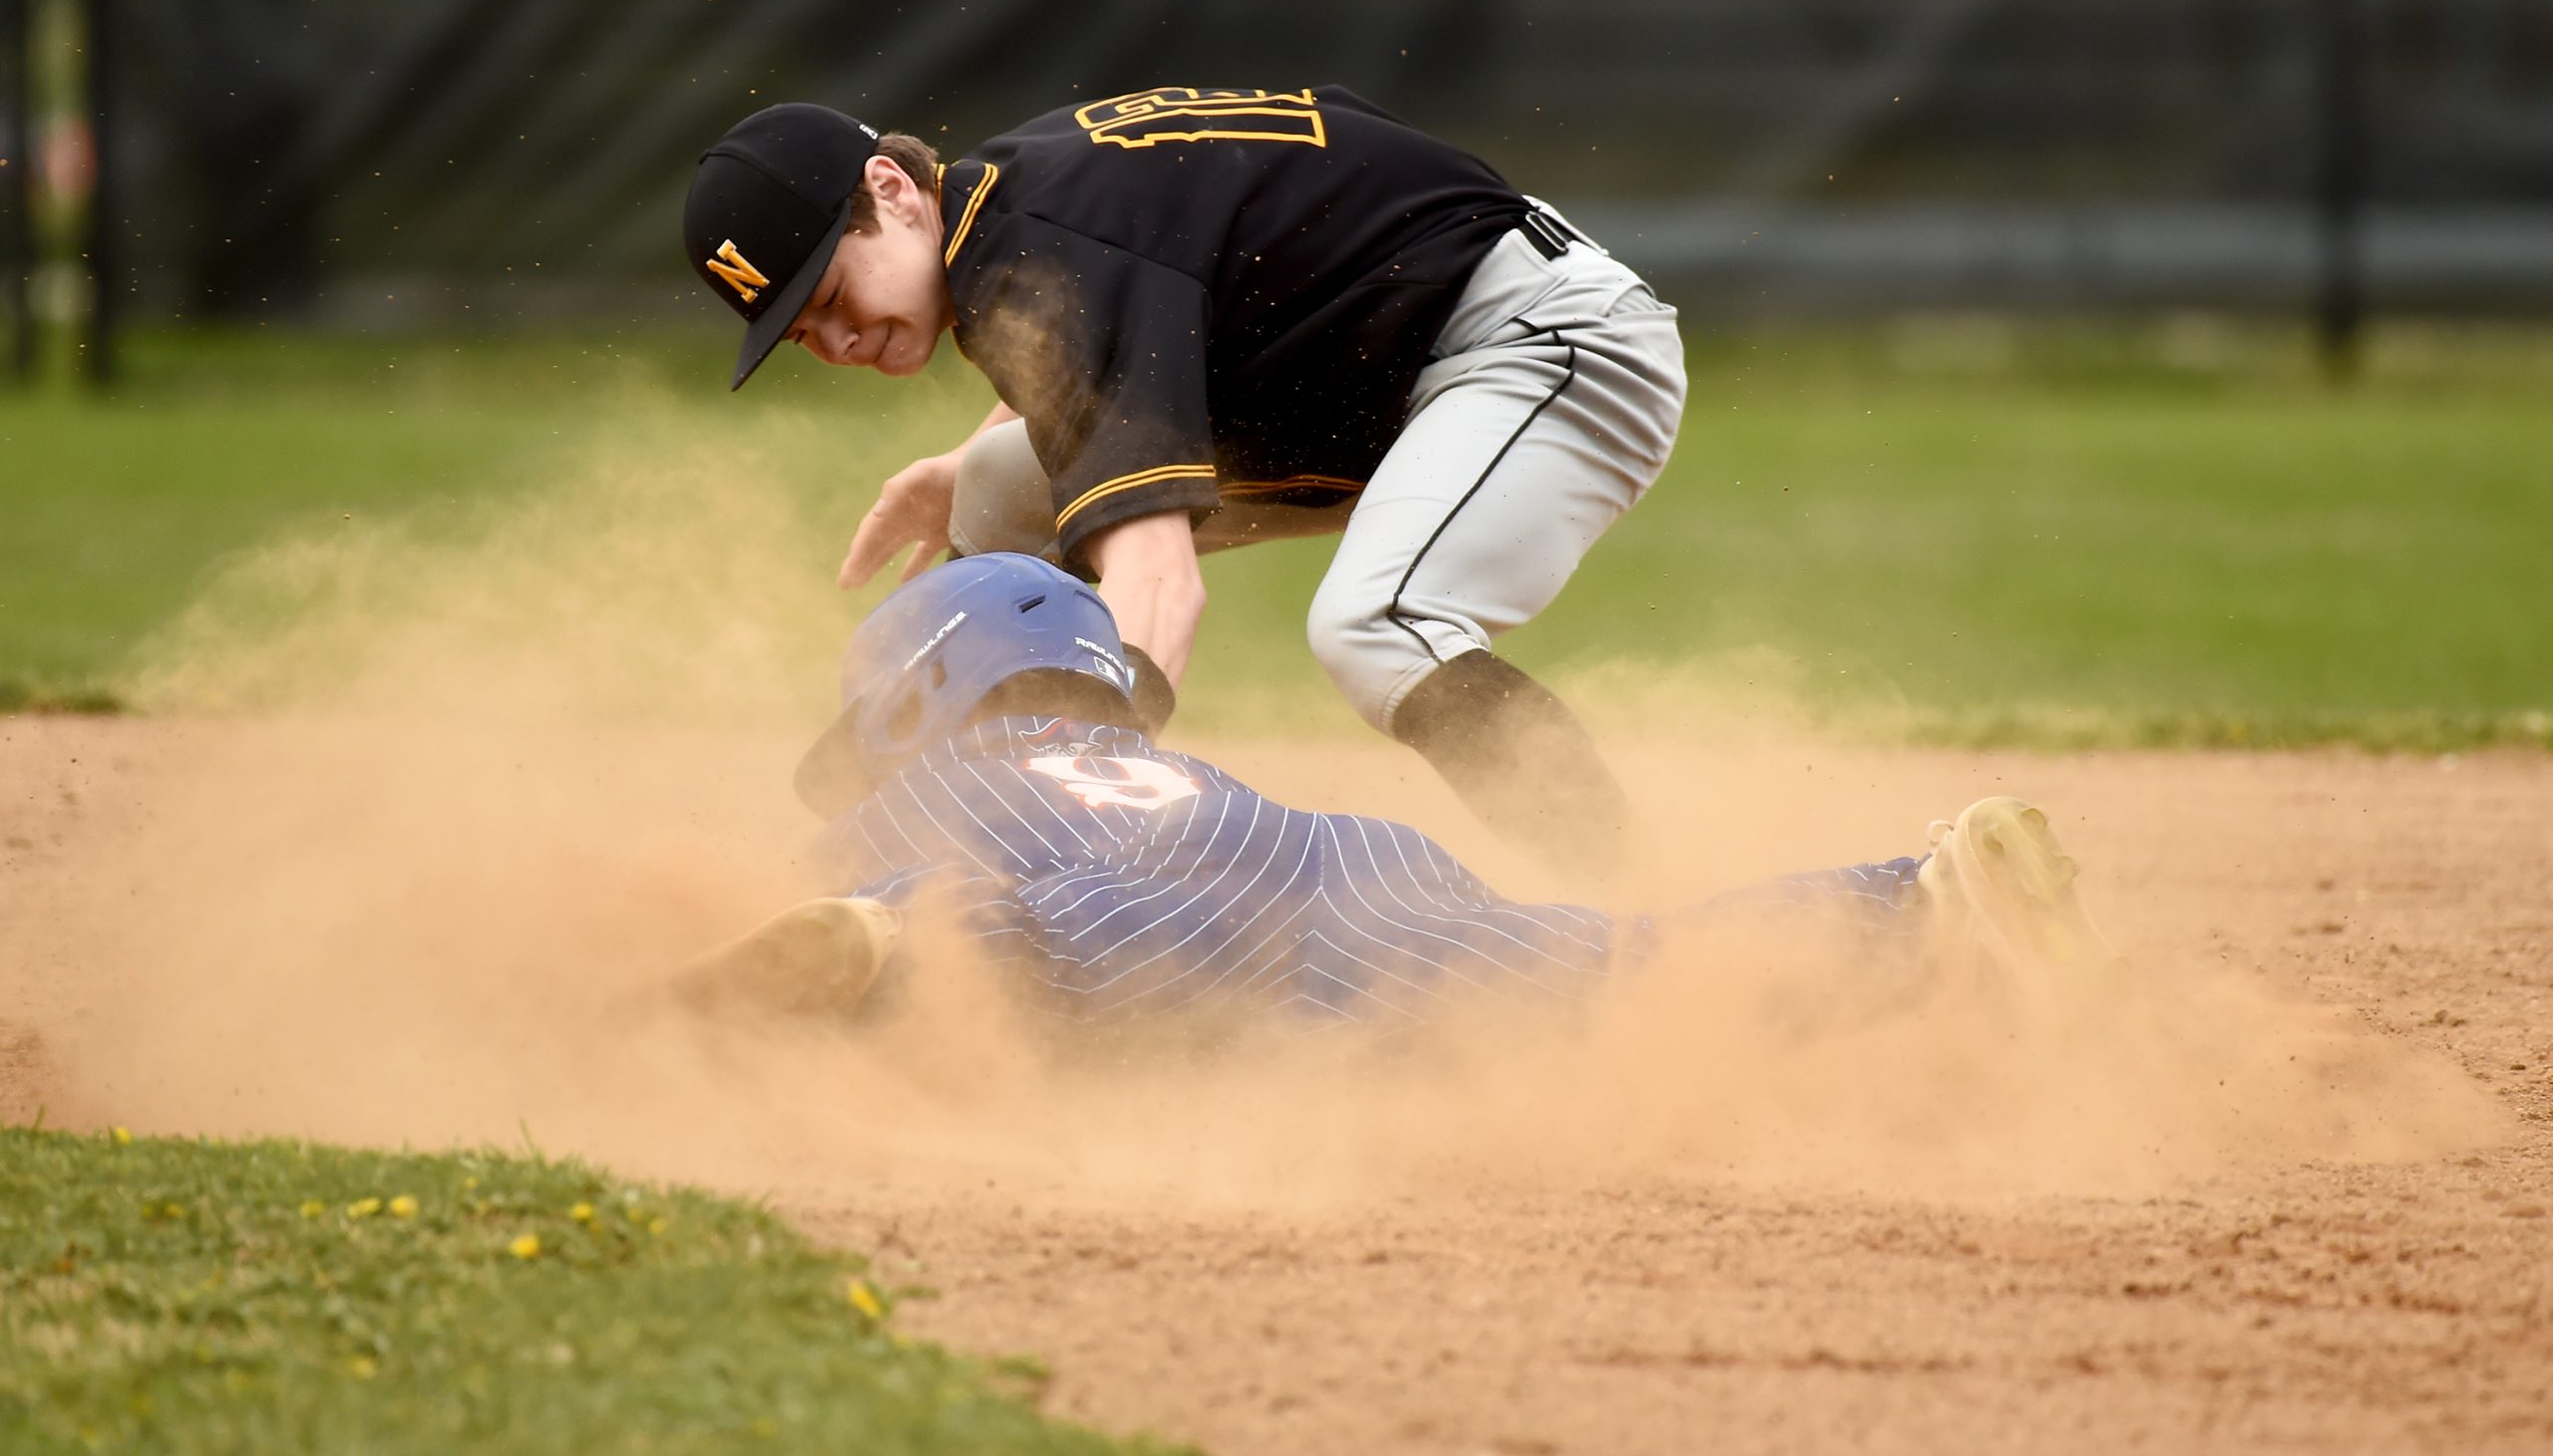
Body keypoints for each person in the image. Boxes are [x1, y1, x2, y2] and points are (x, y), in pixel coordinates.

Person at [678, 87, 1686, 868]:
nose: (839, 337)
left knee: (1379, 626)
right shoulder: (1016, 204)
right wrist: (961, 466)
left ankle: (1626, 888)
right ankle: (931, 827)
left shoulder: (1039, 256)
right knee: (995, 484)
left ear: (891, 192)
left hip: (1544, 343)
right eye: (803, 333)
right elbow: (1108, 335)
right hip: (1388, 366)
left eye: (831, 291)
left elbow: (1158, 586)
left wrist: (1095, 774)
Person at [664, 555, 2111, 1034]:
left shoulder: (943, 784)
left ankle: (881, 939)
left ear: (923, 694)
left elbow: (1054, 891)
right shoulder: (1148, 755)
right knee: (1617, 978)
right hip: (1339, 858)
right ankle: (1914, 906)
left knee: (1023, 928)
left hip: (1118, 906)